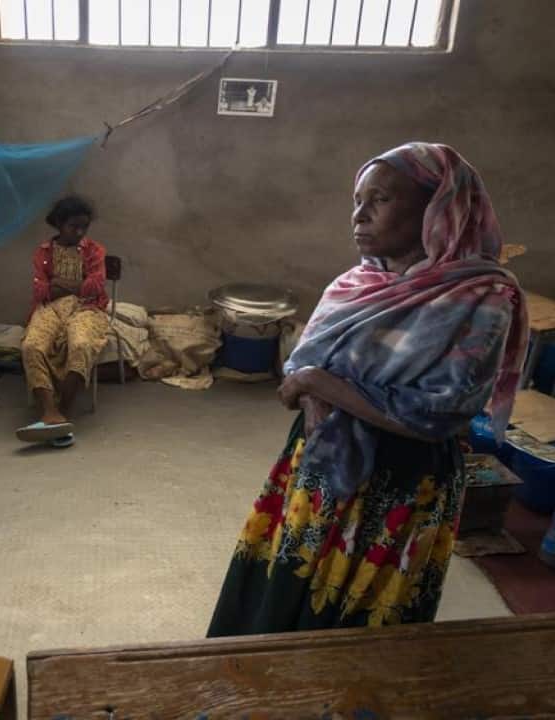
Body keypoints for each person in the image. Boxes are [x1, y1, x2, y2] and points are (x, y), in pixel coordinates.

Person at [207, 142, 528, 636]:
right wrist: (310, 392)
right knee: (281, 597)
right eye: (357, 200)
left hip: (399, 480)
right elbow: (301, 365)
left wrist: (317, 384)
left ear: (438, 211)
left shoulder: (480, 301)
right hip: (320, 462)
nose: (359, 216)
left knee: (355, 622)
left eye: (380, 200)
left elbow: (438, 415)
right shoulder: (356, 284)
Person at [16, 195, 110, 448]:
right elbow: (41, 291)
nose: (79, 232)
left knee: (81, 344)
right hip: (50, 308)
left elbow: (95, 286)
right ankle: (49, 412)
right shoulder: (43, 252)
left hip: (87, 308)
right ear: (58, 224)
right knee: (32, 346)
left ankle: (62, 412)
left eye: (84, 227)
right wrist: (76, 285)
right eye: (73, 226)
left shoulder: (95, 251)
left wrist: (59, 284)